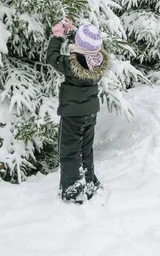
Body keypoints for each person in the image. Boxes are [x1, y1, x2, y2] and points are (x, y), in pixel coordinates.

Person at [46, 18, 111, 203]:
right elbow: (85, 47)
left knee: (70, 151)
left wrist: (57, 36)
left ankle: (74, 190)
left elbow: (51, 57)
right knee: (86, 149)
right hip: (90, 113)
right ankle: (90, 183)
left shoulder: (71, 64)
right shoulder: (97, 60)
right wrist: (73, 31)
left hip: (72, 114)